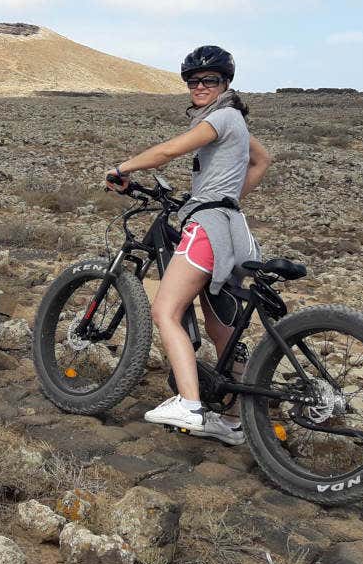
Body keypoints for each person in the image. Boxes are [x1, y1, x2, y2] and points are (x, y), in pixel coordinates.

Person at [106, 45, 272, 445]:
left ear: (225, 83)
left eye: (209, 81)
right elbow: (262, 160)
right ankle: (232, 421)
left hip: (209, 227)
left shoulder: (222, 117)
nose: (199, 86)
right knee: (221, 328)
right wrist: (229, 196)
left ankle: (189, 403)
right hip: (232, 228)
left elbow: (168, 151)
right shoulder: (235, 120)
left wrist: (121, 168)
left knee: (166, 309)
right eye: (193, 81)